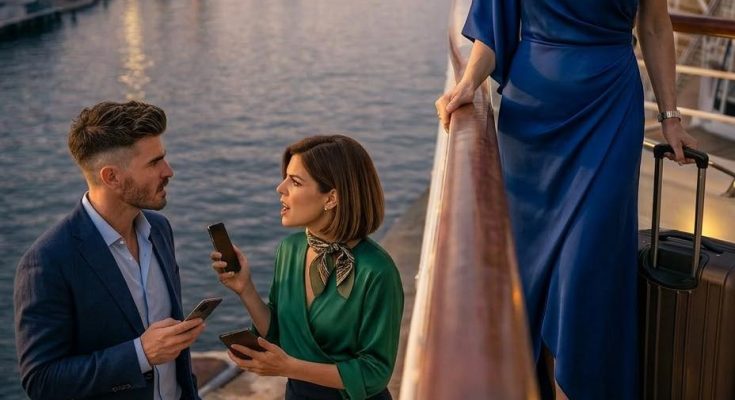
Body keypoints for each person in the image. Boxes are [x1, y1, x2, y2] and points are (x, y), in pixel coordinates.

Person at [435, 0, 698, 399]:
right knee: (535, 277)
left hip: (610, 110)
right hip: (534, 123)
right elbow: (493, 27)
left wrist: (670, 117)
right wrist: (469, 83)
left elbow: (656, 25)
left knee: (585, 269)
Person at [14, 101, 205, 400]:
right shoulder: (47, 262)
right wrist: (141, 354)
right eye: (154, 163)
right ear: (111, 177)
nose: (168, 171)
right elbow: (42, 381)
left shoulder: (159, 230)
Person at [211, 135, 404, 400]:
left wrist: (289, 368)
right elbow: (280, 336)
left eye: (295, 182)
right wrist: (245, 289)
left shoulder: (377, 271)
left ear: (331, 198)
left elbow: (375, 373)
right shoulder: (290, 250)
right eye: (285, 178)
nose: (280, 188)